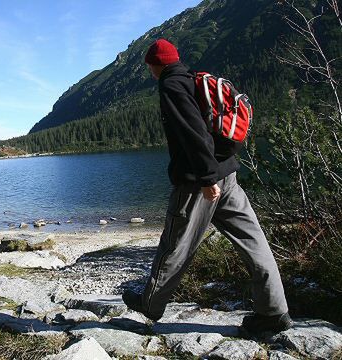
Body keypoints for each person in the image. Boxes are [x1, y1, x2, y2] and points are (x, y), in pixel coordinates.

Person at [122, 39, 292, 334]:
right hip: (228, 175)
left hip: (198, 184)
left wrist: (206, 178)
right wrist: (215, 175)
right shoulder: (192, 78)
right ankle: (274, 311)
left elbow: (193, 132)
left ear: (155, 65)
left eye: (150, 65)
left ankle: (150, 304)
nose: (149, 70)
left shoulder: (171, 85)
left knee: (175, 244)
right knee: (254, 241)